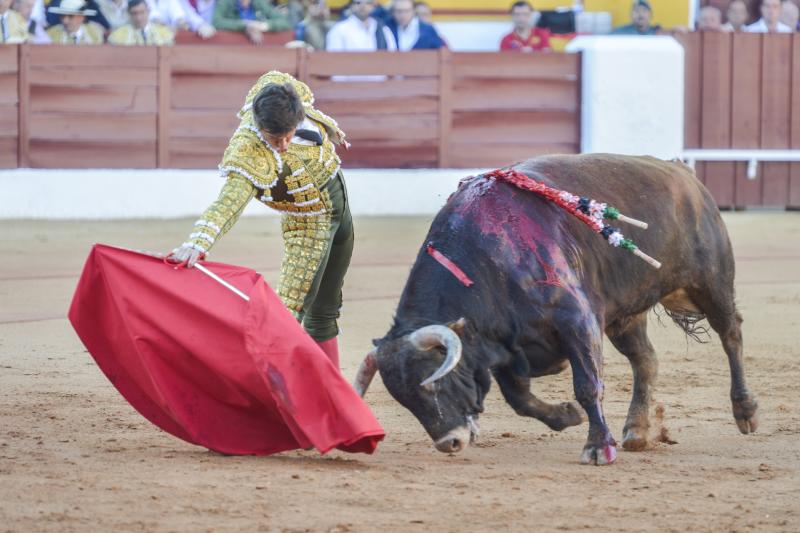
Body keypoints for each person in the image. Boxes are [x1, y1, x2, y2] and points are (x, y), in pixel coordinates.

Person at [169, 71, 353, 370]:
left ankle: (334, 388)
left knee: (326, 309)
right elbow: (229, 201)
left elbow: (298, 101)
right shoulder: (249, 149)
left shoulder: (282, 92)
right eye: (274, 139)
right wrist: (198, 242)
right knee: (287, 316)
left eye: (288, 135)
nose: (283, 145)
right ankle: (268, 387)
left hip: (341, 213)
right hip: (308, 226)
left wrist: (330, 131)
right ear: (259, 125)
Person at [325, 0, 396, 51]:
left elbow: (392, 56)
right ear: (351, 5)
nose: (363, 6)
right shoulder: (339, 29)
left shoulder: (383, 29)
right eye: (358, 3)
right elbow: (334, 59)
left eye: (368, 3)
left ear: (373, 5)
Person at [213, 0, 290, 44]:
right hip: (231, 47)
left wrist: (262, 26)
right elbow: (216, 22)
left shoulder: (258, 2)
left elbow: (285, 22)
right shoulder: (225, 2)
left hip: (259, 50)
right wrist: (246, 25)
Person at [108, 0, 174, 43]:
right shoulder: (117, 36)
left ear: (148, 11)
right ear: (128, 14)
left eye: (142, 12)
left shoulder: (164, 34)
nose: (138, 18)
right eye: (134, 13)